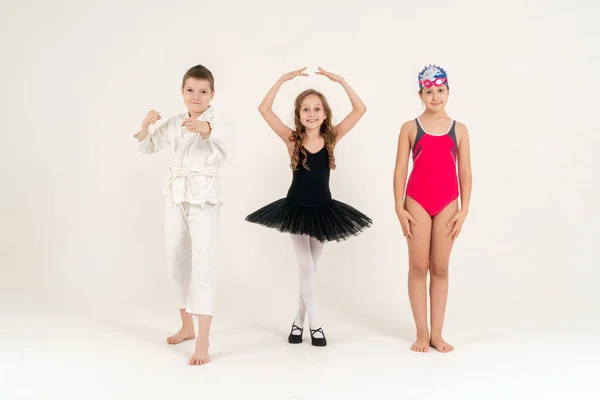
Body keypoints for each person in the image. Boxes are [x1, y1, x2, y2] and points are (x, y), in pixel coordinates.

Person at [245, 67, 372, 347]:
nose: (311, 113)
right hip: (297, 209)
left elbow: (360, 109)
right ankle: (316, 324)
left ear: (325, 114)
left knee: (311, 270)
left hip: (324, 211)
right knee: (305, 267)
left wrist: (341, 81)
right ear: (299, 115)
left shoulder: (331, 138)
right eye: (305, 109)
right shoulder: (292, 139)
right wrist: (281, 80)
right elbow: (264, 110)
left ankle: (298, 321)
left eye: (317, 108)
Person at [134, 64, 232, 365]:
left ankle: (203, 338)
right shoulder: (176, 122)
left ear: (212, 94)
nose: (196, 96)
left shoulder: (218, 124)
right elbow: (147, 147)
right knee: (175, 255)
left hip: (203, 198)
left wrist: (207, 130)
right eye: (190, 90)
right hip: (176, 195)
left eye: (203, 91)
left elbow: (222, 143)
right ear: (182, 92)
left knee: (203, 260)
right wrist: (145, 126)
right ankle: (186, 325)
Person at [393, 64, 472, 353]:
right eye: (429, 91)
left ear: (448, 92)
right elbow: (401, 168)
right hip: (417, 201)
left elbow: (465, 172)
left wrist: (463, 210)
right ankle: (421, 333)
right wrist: (399, 208)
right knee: (418, 266)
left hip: (448, 203)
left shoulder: (459, 130)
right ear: (420, 94)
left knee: (440, 267)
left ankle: (437, 333)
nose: (435, 96)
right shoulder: (410, 128)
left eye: (440, 91)